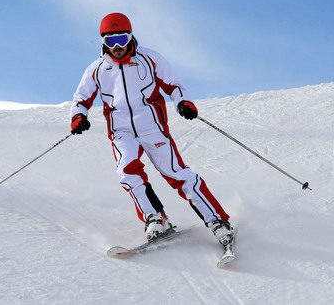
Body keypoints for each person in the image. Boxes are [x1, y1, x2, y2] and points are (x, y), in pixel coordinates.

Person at [70, 13, 233, 246]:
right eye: (111, 41)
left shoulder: (150, 58)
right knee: (128, 173)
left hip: (152, 128)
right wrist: (78, 117)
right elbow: (81, 98)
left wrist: (183, 103)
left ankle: (219, 222)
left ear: (131, 36)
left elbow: (173, 84)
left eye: (122, 39)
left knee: (178, 175)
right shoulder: (96, 69)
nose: (117, 47)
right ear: (103, 42)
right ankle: (155, 218)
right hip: (121, 132)